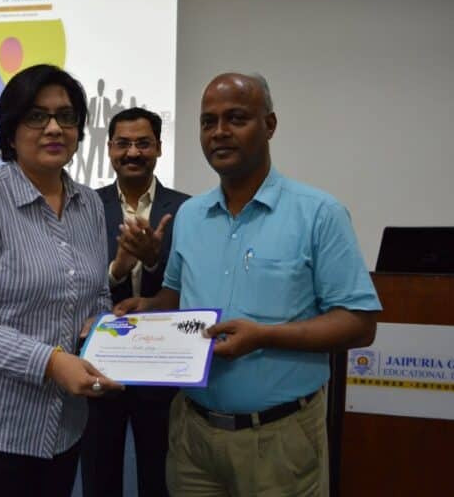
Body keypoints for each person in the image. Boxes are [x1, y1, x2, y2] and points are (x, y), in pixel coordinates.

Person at [114, 73, 382, 496]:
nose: (219, 132)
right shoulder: (190, 215)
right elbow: (176, 296)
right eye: (208, 122)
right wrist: (147, 307)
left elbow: (360, 324)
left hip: (279, 439)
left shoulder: (319, 213)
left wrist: (264, 336)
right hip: (192, 435)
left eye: (236, 118)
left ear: (269, 125)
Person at [0, 64, 123, 497]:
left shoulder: (89, 203)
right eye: (36, 116)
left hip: (63, 430)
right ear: (10, 132)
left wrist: (98, 324)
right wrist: (51, 362)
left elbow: (97, 293)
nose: (54, 127)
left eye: (66, 116)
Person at [81, 107, 189, 497]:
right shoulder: (85, 207)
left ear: (158, 147)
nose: (132, 152)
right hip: (101, 360)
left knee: (160, 474)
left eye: (143, 143)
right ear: (109, 148)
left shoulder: (187, 210)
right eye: (123, 143)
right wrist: (118, 268)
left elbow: (192, 281)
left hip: (163, 363)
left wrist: (154, 259)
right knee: (99, 471)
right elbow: (74, 282)